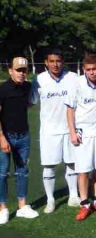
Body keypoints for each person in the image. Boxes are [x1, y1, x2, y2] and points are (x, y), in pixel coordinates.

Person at [65, 54, 96, 221]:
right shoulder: (77, 83)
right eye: (88, 70)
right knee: (82, 170)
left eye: (94, 69)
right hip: (83, 134)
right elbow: (70, 110)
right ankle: (84, 204)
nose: (92, 72)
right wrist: (72, 132)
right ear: (83, 70)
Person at [30, 48, 80, 213]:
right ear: (46, 63)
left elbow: (94, 81)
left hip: (70, 129)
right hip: (49, 131)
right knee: (49, 166)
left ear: (63, 62)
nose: (55, 64)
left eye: (58, 61)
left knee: (72, 163)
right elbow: (31, 102)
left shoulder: (72, 77)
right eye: (51, 61)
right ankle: (50, 200)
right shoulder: (39, 79)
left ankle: (73, 195)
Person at [0, 56, 39, 225]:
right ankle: (3, 208)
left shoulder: (28, 87)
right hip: (5, 136)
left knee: (22, 172)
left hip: (24, 136)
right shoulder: (3, 89)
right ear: (10, 71)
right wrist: (1, 137)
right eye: (18, 70)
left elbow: (30, 104)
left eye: (24, 70)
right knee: (2, 173)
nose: (22, 74)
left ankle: (22, 206)